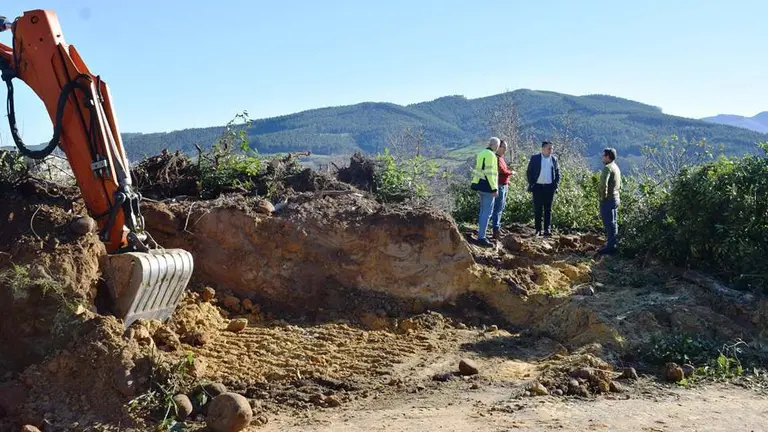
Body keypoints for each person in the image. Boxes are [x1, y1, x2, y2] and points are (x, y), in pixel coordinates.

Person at [526, 141, 560, 237]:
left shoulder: (554, 159)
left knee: (548, 209)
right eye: (549, 148)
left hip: (549, 187)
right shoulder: (535, 158)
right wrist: (532, 184)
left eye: (551, 148)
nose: (551, 150)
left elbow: (557, 173)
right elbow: (529, 172)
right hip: (537, 187)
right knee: (538, 209)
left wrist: (555, 185)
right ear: (543, 148)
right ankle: (537, 230)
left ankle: (547, 229)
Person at [471, 137, 500, 246]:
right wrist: (494, 188)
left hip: (480, 185)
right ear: (495, 146)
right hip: (488, 187)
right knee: (487, 213)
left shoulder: (481, 153)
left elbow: (480, 170)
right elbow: (490, 173)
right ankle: (481, 237)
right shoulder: (492, 155)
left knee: (483, 211)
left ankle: (481, 233)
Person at [597, 147, 621, 255]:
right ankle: (613, 244)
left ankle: (610, 247)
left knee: (609, 223)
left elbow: (603, 185)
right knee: (613, 223)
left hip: (608, 200)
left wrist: (602, 198)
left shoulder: (607, 168)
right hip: (616, 198)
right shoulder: (616, 167)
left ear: (607, 157)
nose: (602, 157)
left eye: (603, 155)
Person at [491, 139, 514, 240]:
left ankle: (498, 226)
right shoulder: (496, 158)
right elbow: (501, 170)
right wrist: (511, 172)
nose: (505, 149)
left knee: (501, 207)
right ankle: (496, 229)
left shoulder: (501, 158)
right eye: (504, 147)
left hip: (504, 185)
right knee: (498, 208)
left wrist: (508, 180)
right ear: (499, 147)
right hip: (499, 186)